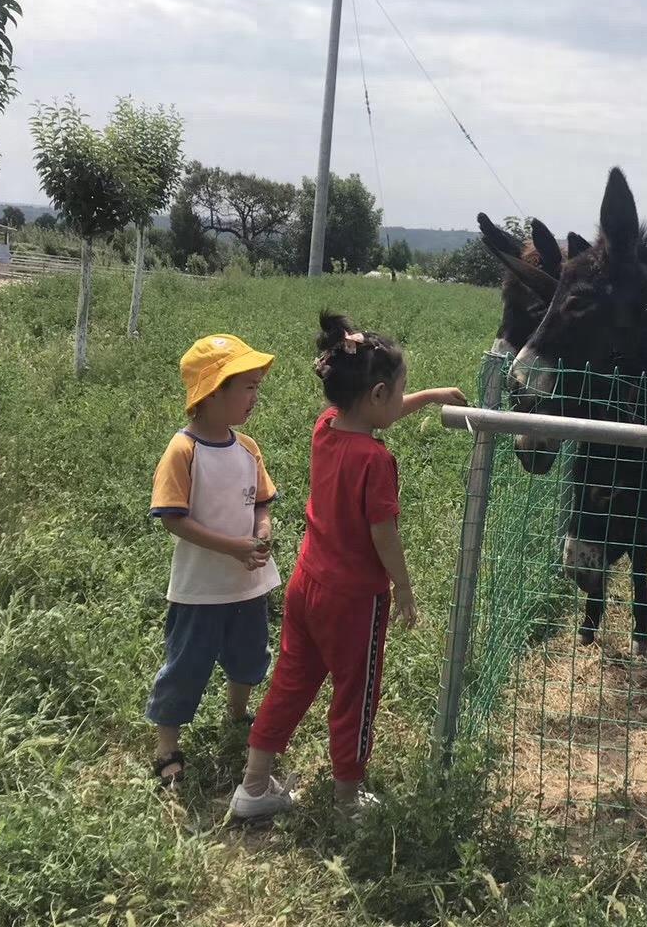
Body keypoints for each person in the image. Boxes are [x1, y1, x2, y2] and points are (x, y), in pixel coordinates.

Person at [229, 311, 466, 821]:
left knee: (292, 678)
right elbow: (384, 533)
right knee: (356, 695)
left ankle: (253, 785)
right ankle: (346, 797)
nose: (403, 400)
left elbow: (377, 411)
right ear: (379, 394)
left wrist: (429, 396)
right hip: (354, 600)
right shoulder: (376, 461)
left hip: (307, 582)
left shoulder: (327, 426)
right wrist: (402, 586)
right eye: (400, 392)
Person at [147, 334, 281, 788]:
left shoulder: (248, 448)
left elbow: (262, 502)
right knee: (186, 663)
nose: (254, 398)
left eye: (256, 388)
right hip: (200, 586)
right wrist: (234, 547)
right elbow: (173, 519)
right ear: (212, 391)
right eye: (246, 387)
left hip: (247, 582)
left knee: (248, 655)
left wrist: (261, 530)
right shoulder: (183, 451)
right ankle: (167, 746)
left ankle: (238, 714)